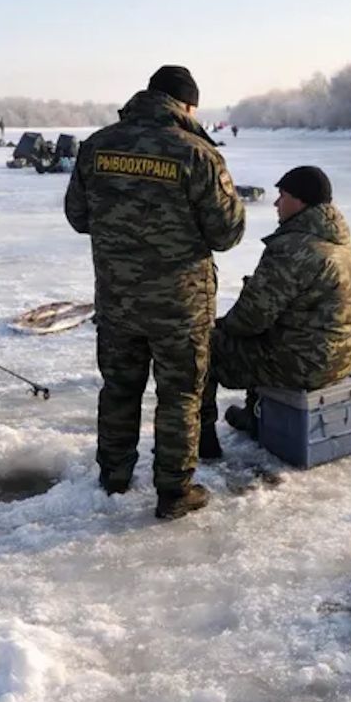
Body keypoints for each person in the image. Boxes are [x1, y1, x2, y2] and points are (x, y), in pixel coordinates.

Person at [65, 65, 245, 520]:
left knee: (119, 388)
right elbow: (226, 233)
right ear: (186, 105)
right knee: (180, 394)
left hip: (118, 300)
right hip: (179, 306)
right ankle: (174, 490)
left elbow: (78, 216)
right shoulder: (197, 154)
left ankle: (114, 476)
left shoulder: (97, 146)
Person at [198, 166, 351, 455]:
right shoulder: (341, 244)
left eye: (282, 195)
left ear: (300, 200)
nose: (276, 203)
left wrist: (218, 328)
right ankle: (255, 415)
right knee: (269, 337)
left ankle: (202, 436)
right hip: (340, 359)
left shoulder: (293, 248)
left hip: (303, 365)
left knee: (202, 347)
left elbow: (250, 319)